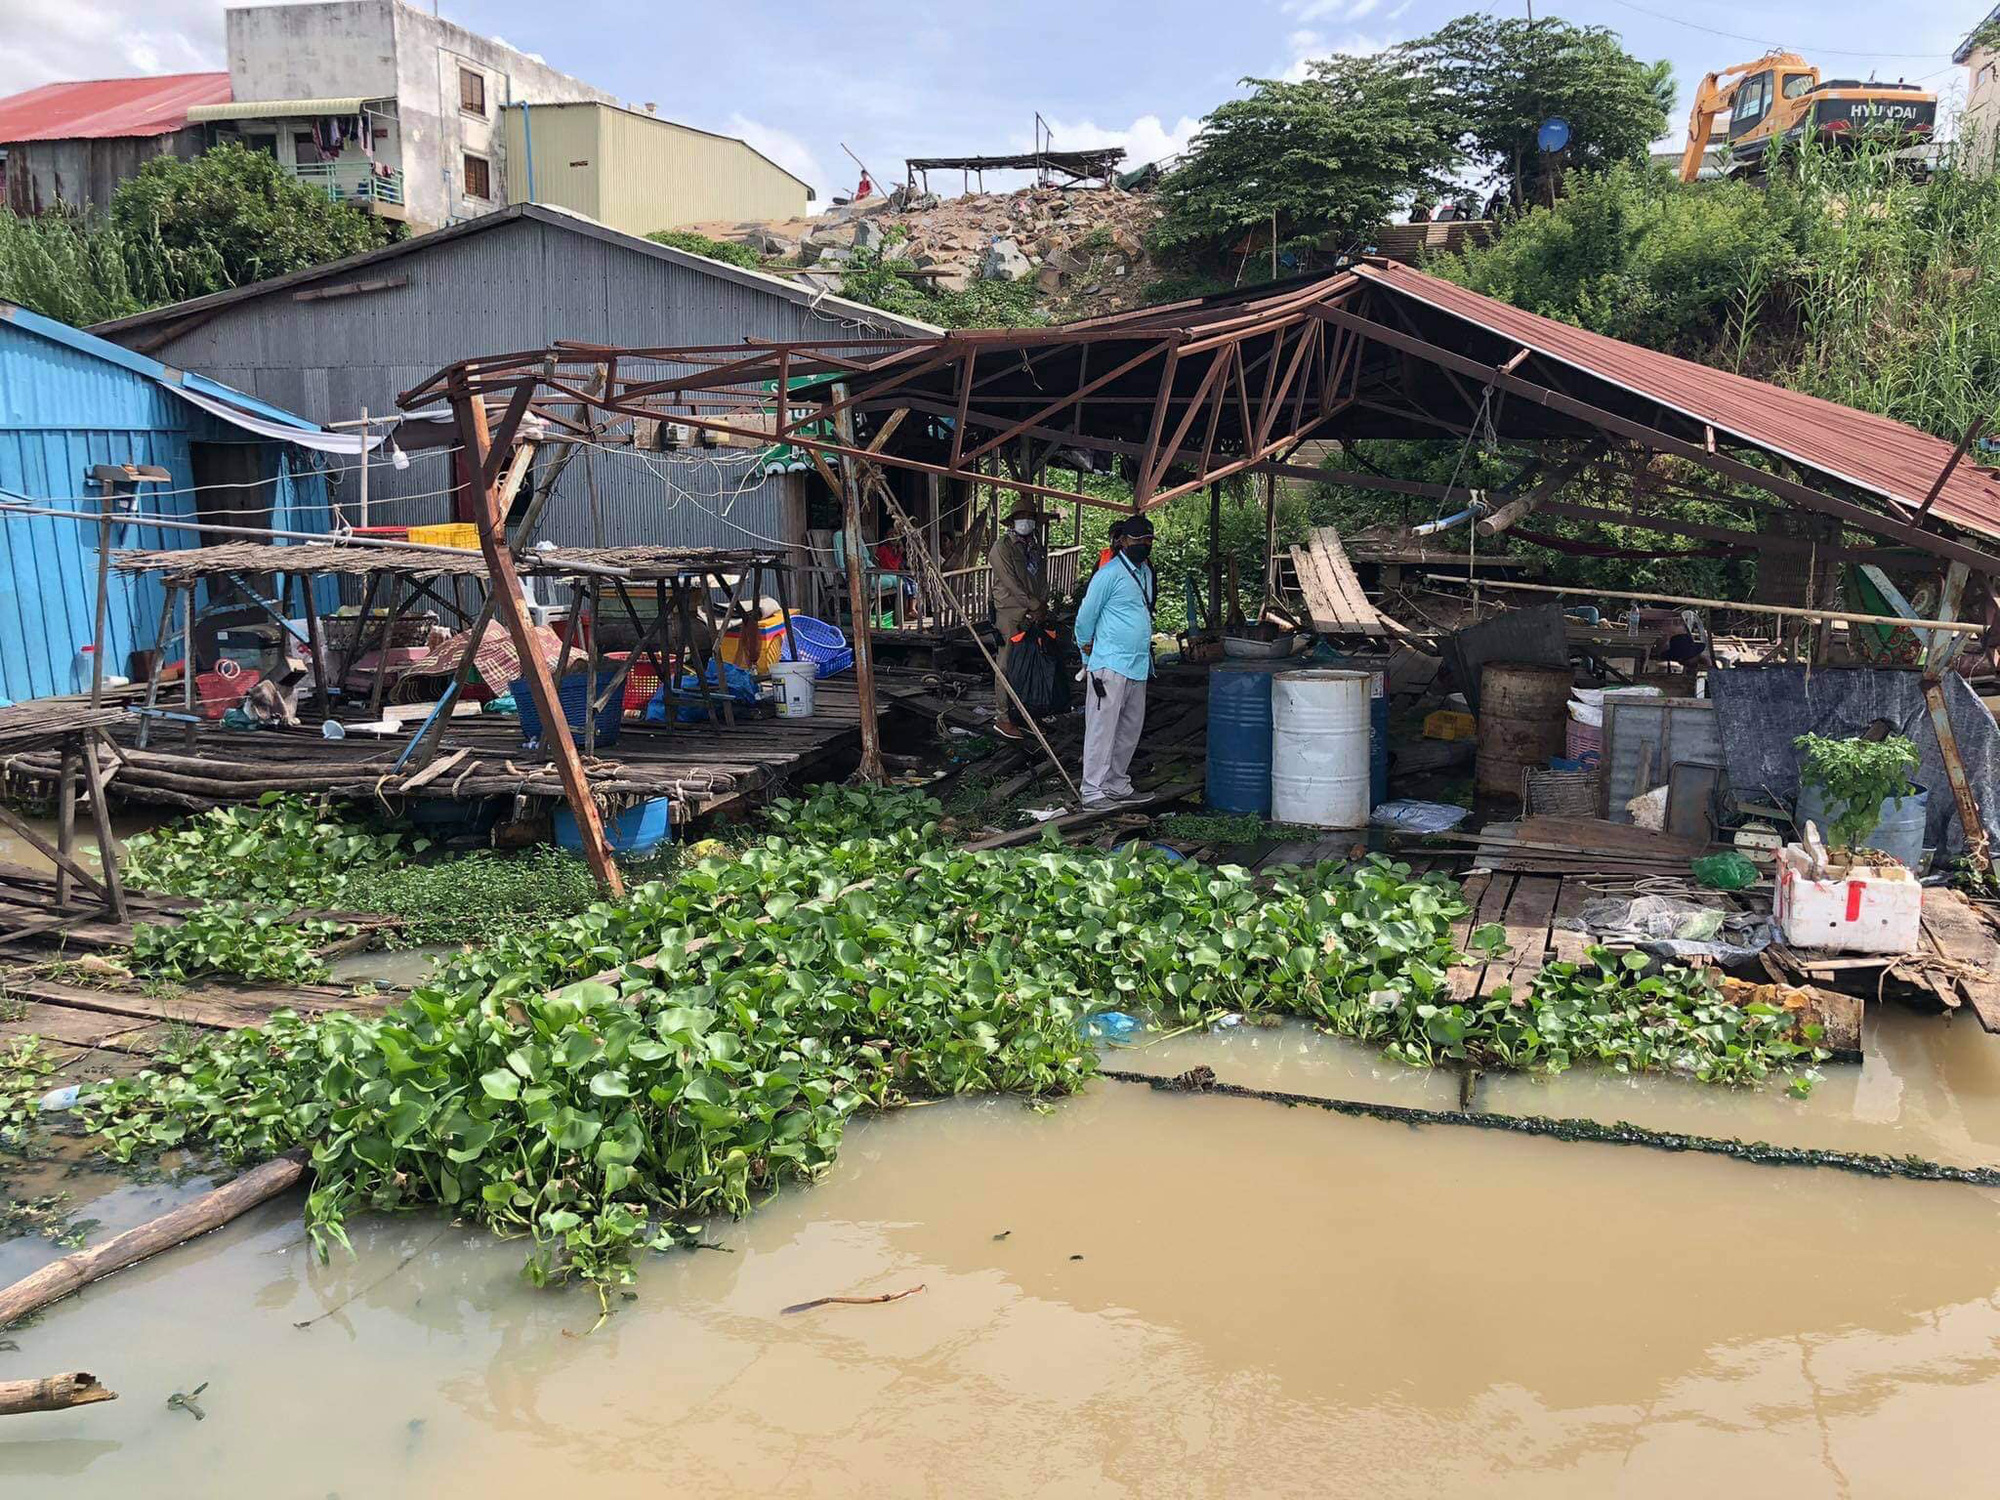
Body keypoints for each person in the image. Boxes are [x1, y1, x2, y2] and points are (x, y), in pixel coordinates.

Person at [1072, 513, 1156, 807]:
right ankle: (1092, 790)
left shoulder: (1146, 572)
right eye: (1138, 540)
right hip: (1108, 664)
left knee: (1129, 729)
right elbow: (1085, 618)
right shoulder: (1108, 574)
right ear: (1123, 541)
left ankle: (1116, 783)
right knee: (1101, 729)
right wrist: (1086, 654)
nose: (1144, 545)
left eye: (1148, 540)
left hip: (1137, 664)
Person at [988, 498, 1051, 740]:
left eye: (1030, 517)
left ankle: (1026, 714)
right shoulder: (1001, 547)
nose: (1026, 522)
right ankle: (1002, 717)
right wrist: (1033, 604)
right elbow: (1010, 582)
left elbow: (1042, 577)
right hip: (1009, 612)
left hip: (1033, 613)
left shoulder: (1035, 547)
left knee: (1030, 664)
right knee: (1006, 665)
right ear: (1013, 522)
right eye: (1021, 517)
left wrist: (1041, 605)